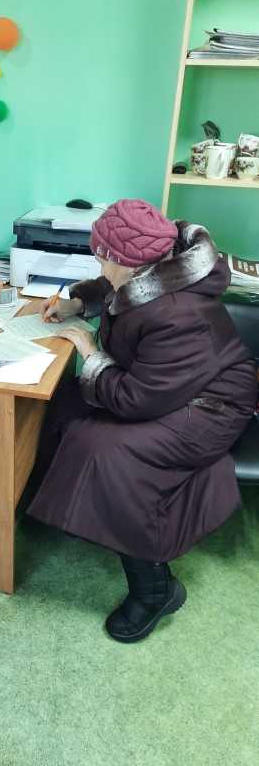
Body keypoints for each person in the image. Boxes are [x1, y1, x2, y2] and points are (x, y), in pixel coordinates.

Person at [27, 198, 257, 644]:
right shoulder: (155, 270)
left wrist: (91, 354)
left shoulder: (177, 313)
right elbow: (116, 290)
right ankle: (69, 507)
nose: (98, 262)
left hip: (211, 407)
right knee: (66, 403)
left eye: (101, 256)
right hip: (170, 387)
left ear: (121, 259)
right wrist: (78, 303)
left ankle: (156, 588)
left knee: (110, 455)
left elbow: (135, 399)